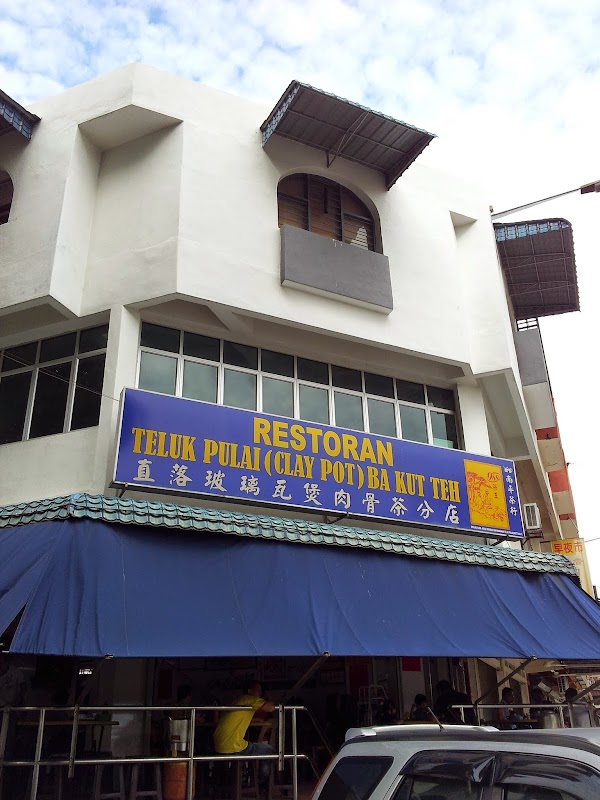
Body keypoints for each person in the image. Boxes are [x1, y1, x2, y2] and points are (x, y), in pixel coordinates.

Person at [213, 680, 276, 787]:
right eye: (258, 690)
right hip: (233, 746)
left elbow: (240, 719)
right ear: (249, 691)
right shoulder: (250, 699)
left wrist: (257, 721)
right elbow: (270, 708)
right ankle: (261, 783)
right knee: (268, 750)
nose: (260, 693)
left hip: (218, 745)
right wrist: (271, 700)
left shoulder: (238, 700)